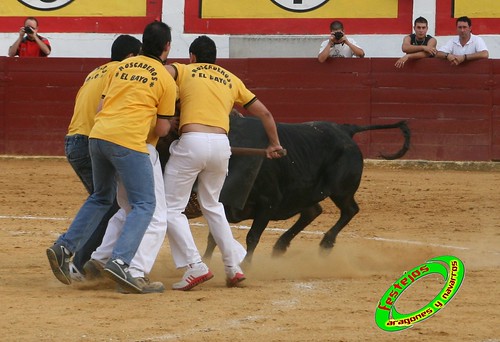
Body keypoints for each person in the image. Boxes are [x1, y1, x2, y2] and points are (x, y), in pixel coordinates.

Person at [46, 21, 177, 294]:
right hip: (128, 140)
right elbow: (163, 128)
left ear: (142, 44)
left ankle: (64, 247)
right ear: (167, 46)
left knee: (101, 197)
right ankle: (121, 261)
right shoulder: (165, 78)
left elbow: (101, 106)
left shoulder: (121, 67)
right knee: (144, 204)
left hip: (98, 136)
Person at [163, 35, 284, 291]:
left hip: (192, 141)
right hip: (221, 146)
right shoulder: (230, 78)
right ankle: (232, 267)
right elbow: (265, 112)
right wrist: (274, 144)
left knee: (170, 209)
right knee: (213, 205)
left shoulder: (183, 70)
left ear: (193, 57)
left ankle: (195, 265)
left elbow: (161, 71)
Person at [64, 35, 143, 281]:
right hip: (93, 142)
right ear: (131, 57)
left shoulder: (95, 72)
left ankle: (84, 258)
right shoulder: (123, 71)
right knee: (110, 203)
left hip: (74, 141)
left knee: (104, 201)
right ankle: (81, 263)